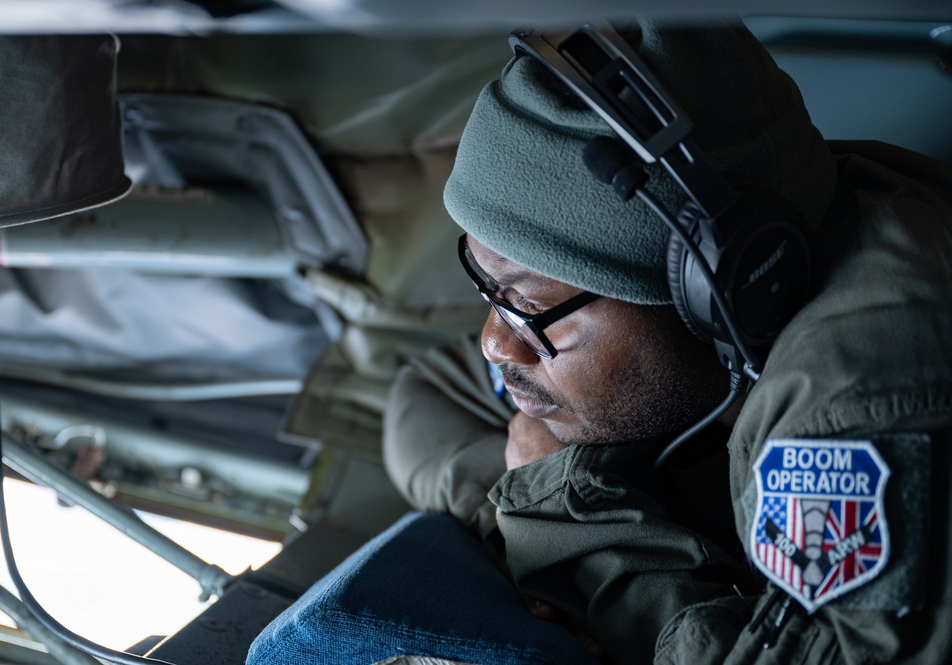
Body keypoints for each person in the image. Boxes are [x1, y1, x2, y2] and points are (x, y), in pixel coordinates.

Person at [383, 19, 952, 665]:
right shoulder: (769, 247)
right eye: (489, 289)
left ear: (718, 285)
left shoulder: (865, 408)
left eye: (526, 302)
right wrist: (526, 497)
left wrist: (570, 528)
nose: (495, 344)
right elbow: (422, 391)